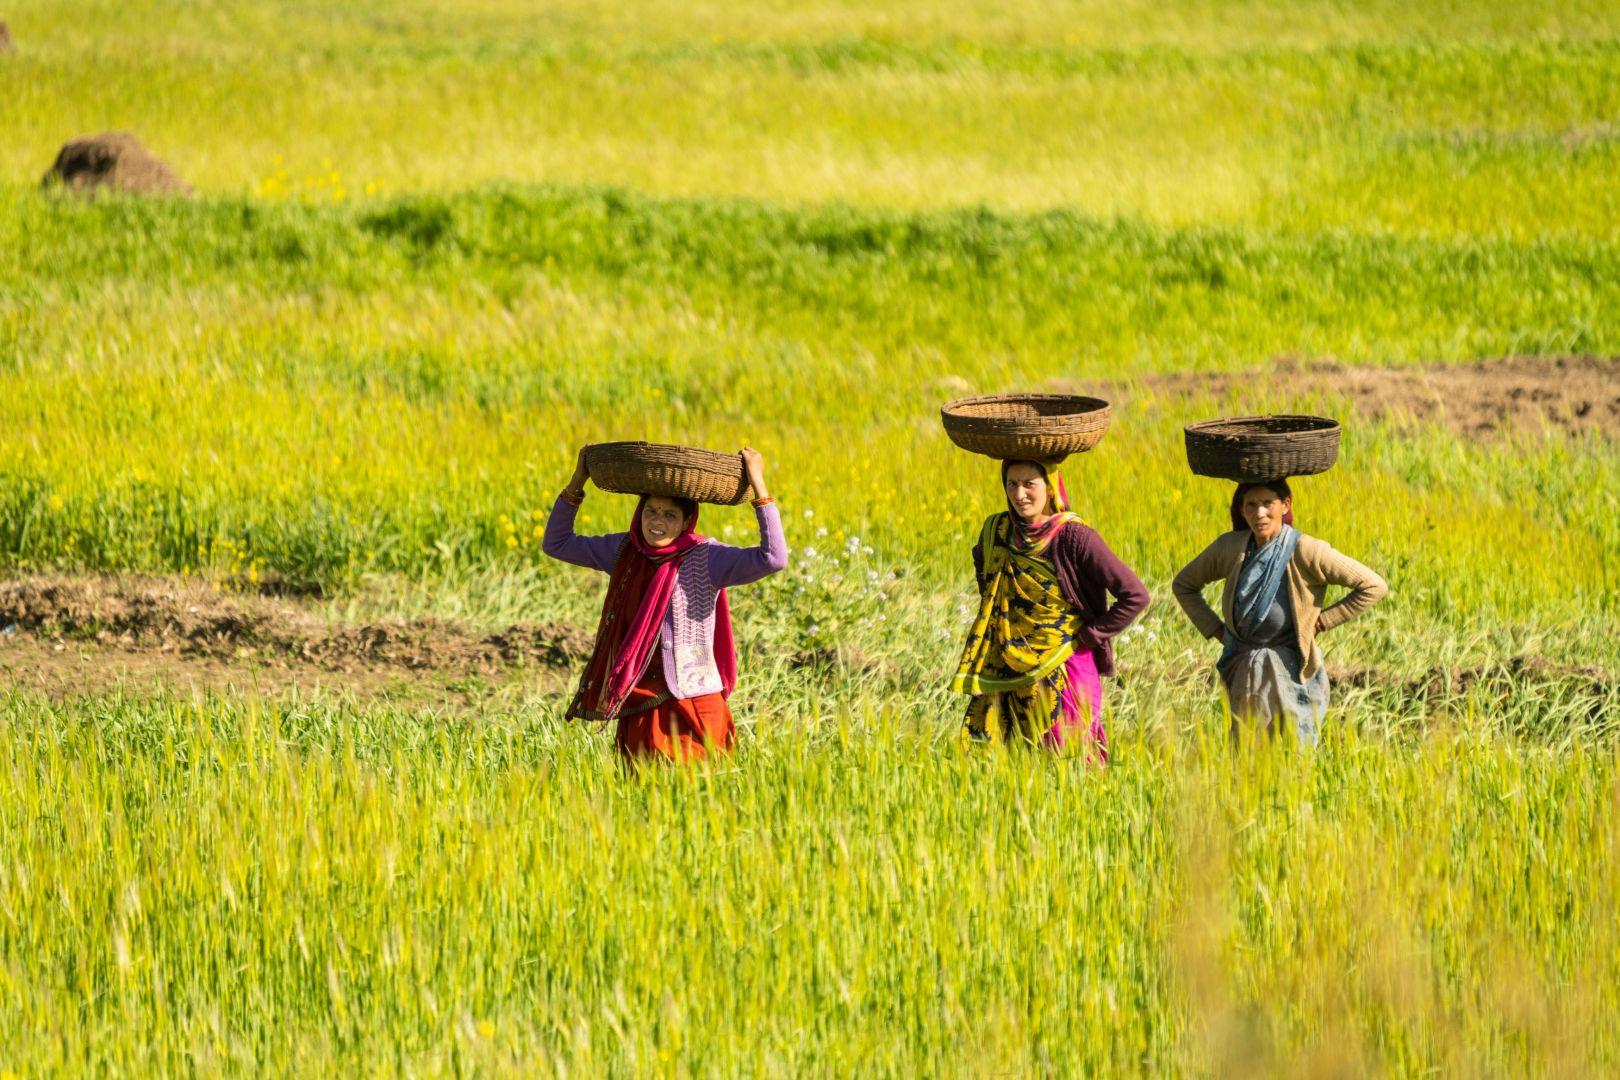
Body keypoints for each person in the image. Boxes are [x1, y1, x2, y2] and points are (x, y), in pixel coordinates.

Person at [543, 446, 787, 763]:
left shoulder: (708, 558)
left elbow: (774, 558)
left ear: (687, 521)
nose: (657, 522)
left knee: (704, 790)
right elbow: (556, 543)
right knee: (641, 792)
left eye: (669, 515)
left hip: (694, 698)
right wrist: (579, 479)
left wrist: (758, 485)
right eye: (651, 512)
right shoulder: (623, 551)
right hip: (641, 700)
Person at [951, 459, 1149, 757]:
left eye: (1029, 484)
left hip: (1066, 663)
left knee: (1070, 759)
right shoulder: (996, 530)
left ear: (1050, 486)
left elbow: (1135, 595)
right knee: (1013, 762)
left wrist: (1090, 635)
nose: (1019, 495)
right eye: (1011, 484)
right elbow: (987, 577)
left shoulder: (1075, 538)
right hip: (1008, 668)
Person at [1171, 478, 1387, 746]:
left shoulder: (1306, 550)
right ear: (1241, 509)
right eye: (1251, 505)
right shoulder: (1231, 548)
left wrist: (1320, 623)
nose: (1259, 513)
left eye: (1267, 504)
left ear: (1285, 505)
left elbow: (1373, 585)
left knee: (1291, 751)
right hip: (1244, 666)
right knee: (1247, 754)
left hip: (1291, 667)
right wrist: (1217, 631)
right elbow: (1184, 585)